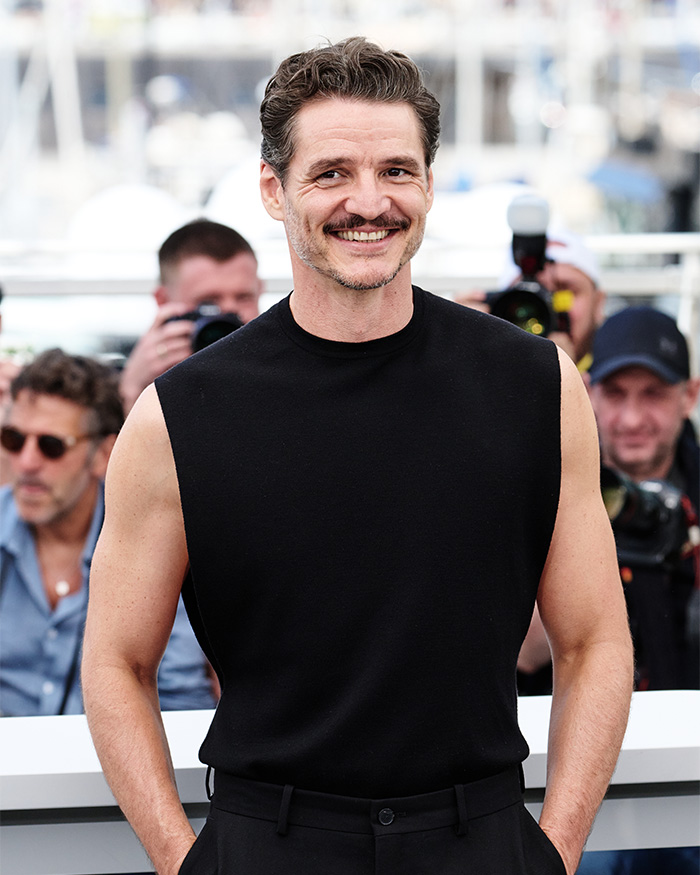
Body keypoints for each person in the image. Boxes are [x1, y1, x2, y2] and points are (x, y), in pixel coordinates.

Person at [82, 37, 633, 875]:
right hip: (267, 846)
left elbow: (594, 641)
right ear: (275, 189)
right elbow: (116, 662)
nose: (368, 202)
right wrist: (180, 860)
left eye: (396, 170)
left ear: (430, 184)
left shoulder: (536, 385)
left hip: (482, 840)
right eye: (331, 173)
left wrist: (554, 852)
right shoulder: (178, 415)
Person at [0, 348, 217, 716]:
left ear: (103, 454)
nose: (27, 463)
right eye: (13, 439)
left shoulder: (155, 545)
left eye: (51, 446)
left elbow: (184, 706)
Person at [575, 307, 700, 875]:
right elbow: (523, 654)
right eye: (616, 393)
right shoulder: (553, 487)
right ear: (587, 393)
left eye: (653, 394)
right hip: (579, 783)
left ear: (689, 396)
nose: (631, 418)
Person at [119, 218, 264, 412]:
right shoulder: (141, 383)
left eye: (244, 298)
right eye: (208, 302)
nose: (229, 313)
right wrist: (134, 391)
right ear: (163, 300)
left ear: (260, 291)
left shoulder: (284, 367)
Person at [456, 225, 606, 370]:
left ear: (598, 303)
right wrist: (457, 350)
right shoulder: (482, 372)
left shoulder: (614, 376)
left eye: (563, 290)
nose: (546, 306)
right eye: (528, 294)